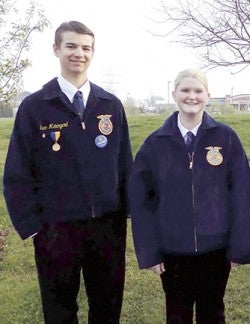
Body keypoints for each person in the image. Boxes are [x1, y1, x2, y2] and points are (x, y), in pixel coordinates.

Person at [3, 21, 133, 323]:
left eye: (86, 48)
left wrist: (127, 214)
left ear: (93, 53)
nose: (79, 53)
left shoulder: (110, 105)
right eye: (71, 46)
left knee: (107, 307)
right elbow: (16, 173)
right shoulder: (35, 107)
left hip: (107, 228)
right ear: (56, 49)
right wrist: (33, 227)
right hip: (56, 230)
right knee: (59, 310)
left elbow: (125, 164)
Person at [129, 68, 250, 323]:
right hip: (173, 253)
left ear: (208, 95)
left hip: (216, 251)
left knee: (213, 312)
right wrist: (150, 253)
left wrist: (239, 248)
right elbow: (141, 202)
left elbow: (241, 195)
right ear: (174, 94)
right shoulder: (155, 144)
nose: (192, 96)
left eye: (198, 91)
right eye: (185, 90)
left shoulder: (226, 138)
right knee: (177, 315)